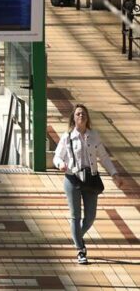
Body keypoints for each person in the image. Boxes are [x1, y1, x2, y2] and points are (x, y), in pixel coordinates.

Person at [53, 104, 124, 264]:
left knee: (90, 217)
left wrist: (114, 174)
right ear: (73, 118)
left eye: (83, 114)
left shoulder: (94, 136)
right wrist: (60, 165)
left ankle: (76, 236)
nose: (81, 116)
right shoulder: (67, 137)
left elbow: (104, 157)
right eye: (78, 114)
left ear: (87, 118)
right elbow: (57, 157)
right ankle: (80, 250)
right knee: (75, 216)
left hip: (91, 179)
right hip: (73, 179)